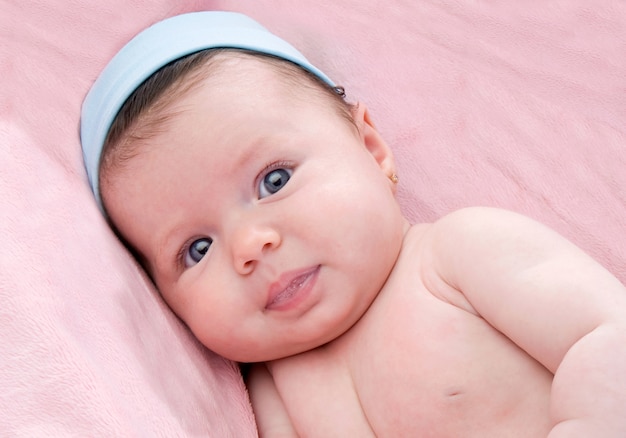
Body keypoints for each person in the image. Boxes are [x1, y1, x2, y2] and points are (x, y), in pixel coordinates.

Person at [80, 11, 626, 437]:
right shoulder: (273, 391)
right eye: (197, 249)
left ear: (371, 148)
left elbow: (605, 336)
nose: (250, 244)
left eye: (274, 180)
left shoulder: (457, 254)